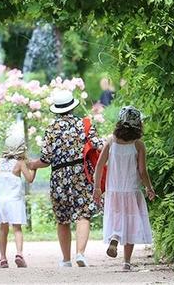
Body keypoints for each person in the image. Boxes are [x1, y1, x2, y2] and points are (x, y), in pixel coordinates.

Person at [29, 89, 104, 267]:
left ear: (57, 109)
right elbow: (98, 145)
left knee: (62, 219)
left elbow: (45, 160)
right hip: (80, 174)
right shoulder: (84, 124)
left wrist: (32, 165)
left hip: (59, 177)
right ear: (72, 107)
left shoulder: (51, 129)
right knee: (83, 214)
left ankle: (65, 260)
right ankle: (80, 254)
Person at [93, 106, 155, 271]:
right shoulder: (138, 145)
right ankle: (126, 263)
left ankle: (114, 236)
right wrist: (149, 188)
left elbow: (99, 166)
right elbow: (142, 171)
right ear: (138, 124)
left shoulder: (111, 141)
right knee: (131, 223)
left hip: (114, 190)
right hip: (131, 190)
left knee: (117, 218)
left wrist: (97, 188)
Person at [0, 133, 36, 268]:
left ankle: (3, 258)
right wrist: (35, 168)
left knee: (3, 229)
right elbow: (29, 179)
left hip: (1, 201)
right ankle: (19, 254)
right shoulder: (19, 163)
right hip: (14, 201)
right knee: (17, 228)